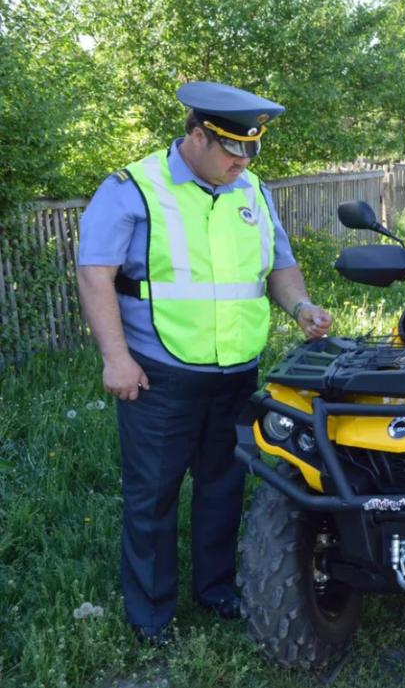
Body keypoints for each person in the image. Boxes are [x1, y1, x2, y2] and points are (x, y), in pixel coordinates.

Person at [76, 82, 332, 645]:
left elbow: (278, 268)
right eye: (233, 150)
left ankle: (216, 591)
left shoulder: (252, 191)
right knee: (153, 495)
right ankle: (151, 616)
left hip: (237, 369)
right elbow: (94, 272)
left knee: (223, 487)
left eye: (252, 151)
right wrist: (115, 359)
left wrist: (302, 307)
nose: (244, 161)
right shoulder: (134, 188)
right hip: (158, 371)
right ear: (197, 136)